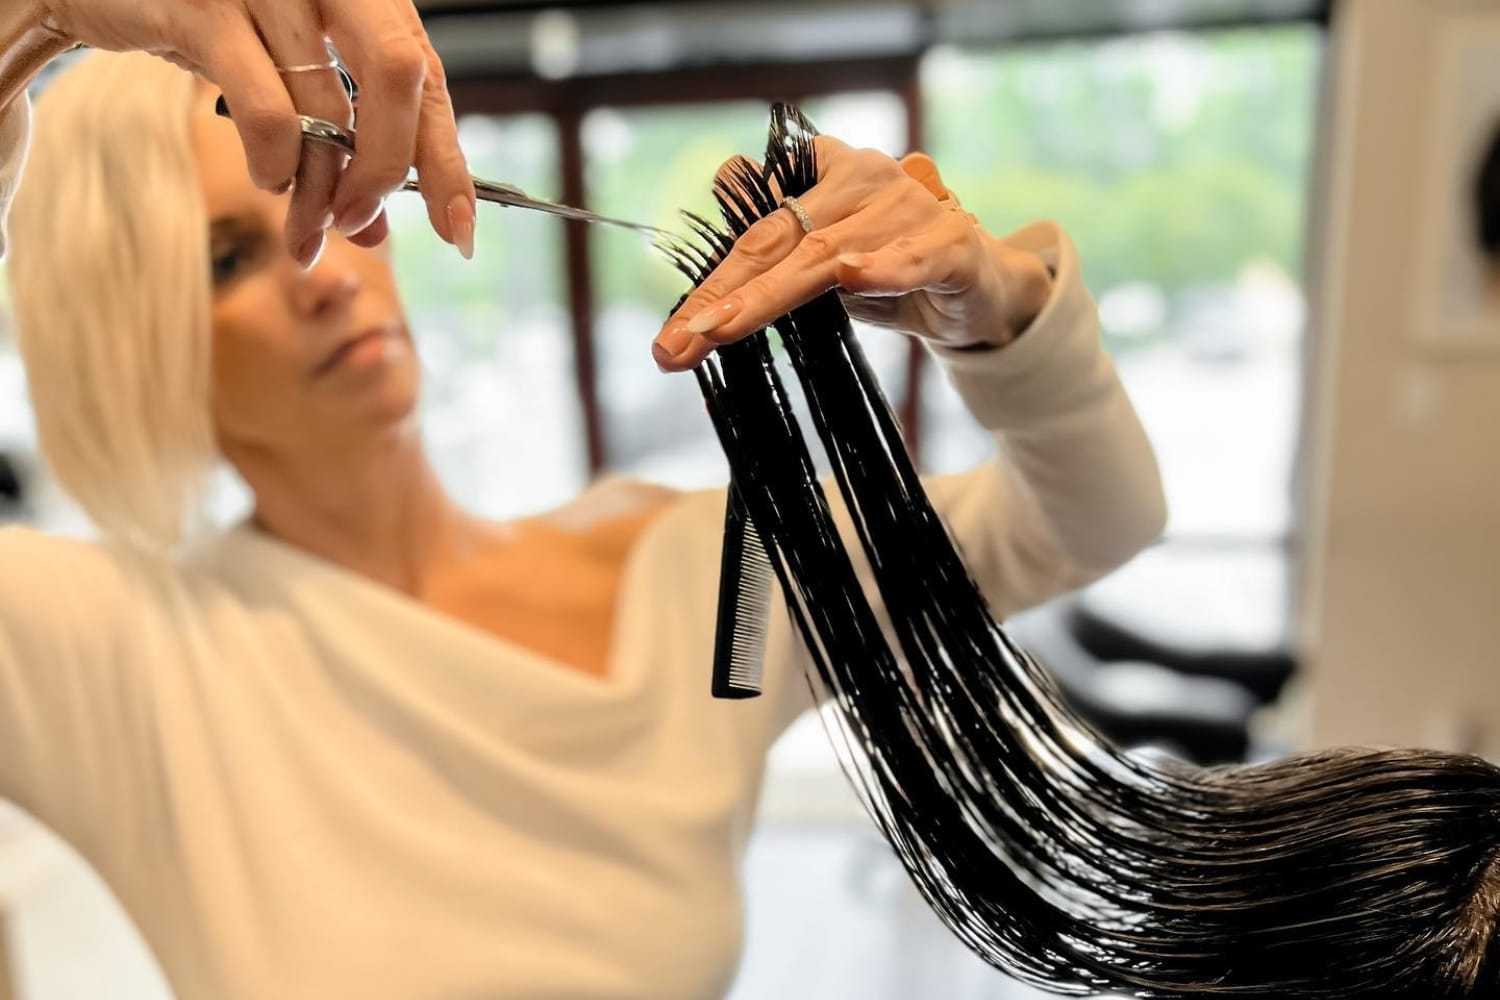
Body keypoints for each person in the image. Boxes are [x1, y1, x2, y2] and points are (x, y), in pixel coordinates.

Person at [0, 17, 1167, 1000]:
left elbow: (1085, 518)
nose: (322, 271)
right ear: (131, 335)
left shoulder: (715, 602)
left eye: (328, 196)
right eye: (226, 259)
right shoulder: (130, 661)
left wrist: (996, 307)